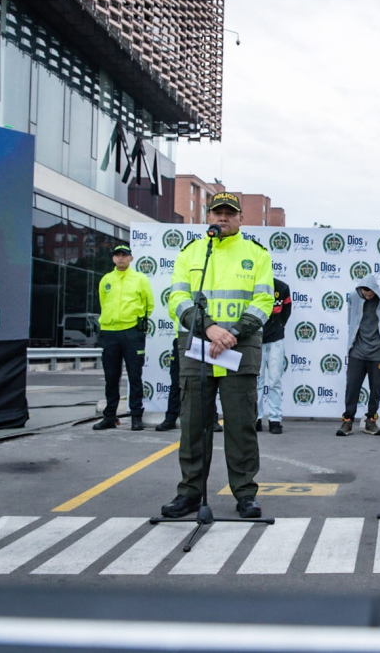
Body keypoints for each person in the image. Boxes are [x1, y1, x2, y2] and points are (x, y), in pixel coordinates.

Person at [160, 192, 274, 520]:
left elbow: (263, 301)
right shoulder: (192, 252)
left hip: (239, 348)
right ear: (208, 217)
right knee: (194, 425)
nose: (222, 218)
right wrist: (209, 329)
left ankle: (245, 494)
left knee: (241, 426)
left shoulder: (256, 254)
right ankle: (190, 493)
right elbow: (177, 298)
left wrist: (233, 333)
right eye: (217, 213)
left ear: (240, 219)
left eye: (229, 213)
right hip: (199, 347)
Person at [94, 244, 154, 431]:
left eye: (124, 255)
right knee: (111, 377)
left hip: (131, 332)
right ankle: (109, 416)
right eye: (117, 255)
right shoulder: (106, 279)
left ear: (131, 258)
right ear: (113, 259)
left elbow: (148, 304)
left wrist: (136, 324)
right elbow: (103, 302)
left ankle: (136, 416)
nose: (120, 258)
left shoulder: (140, 279)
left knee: (135, 376)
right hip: (110, 332)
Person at [338, 275, 380, 437]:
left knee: (376, 390)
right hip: (357, 352)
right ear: (360, 290)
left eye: (370, 292)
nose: (367, 294)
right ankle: (347, 421)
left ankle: (371, 421)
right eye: (364, 291)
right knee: (352, 388)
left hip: (378, 353)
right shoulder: (354, 297)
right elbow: (351, 320)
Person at [257, 277, 291, 434]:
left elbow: (286, 311)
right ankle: (255, 418)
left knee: (275, 380)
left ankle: (275, 420)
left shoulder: (282, 287)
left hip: (276, 340)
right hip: (256, 339)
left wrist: (278, 327)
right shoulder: (253, 286)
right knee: (256, 380)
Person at [155, 305, 182, 432]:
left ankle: (212, 419)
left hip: (206, 336)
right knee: (176, 381)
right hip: (182, 336)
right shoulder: (183, 286)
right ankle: (171, 418)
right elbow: (173, 309)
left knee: (206, 380)